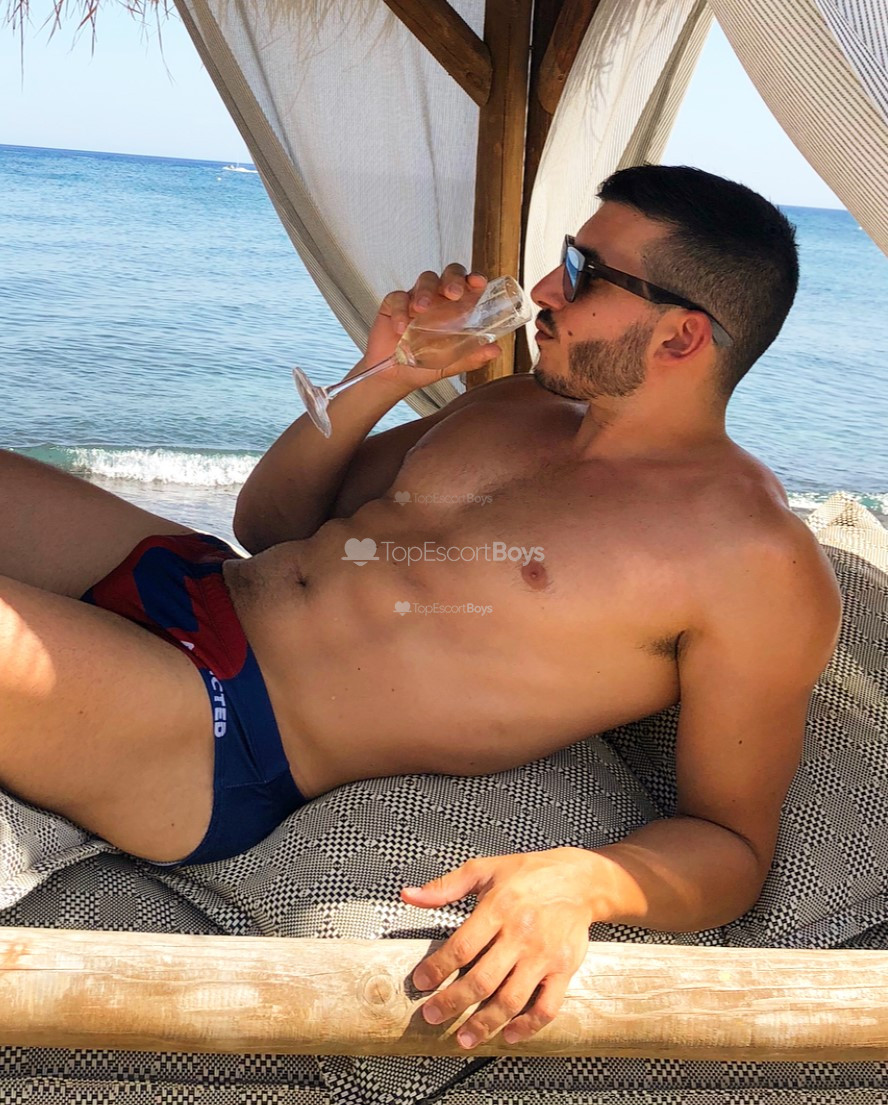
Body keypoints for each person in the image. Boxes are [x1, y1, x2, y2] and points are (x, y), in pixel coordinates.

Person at [0, 165, 840, 1051]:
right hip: (195, 578)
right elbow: (268, 522)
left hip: (218, 732)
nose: (544, 289)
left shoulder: (753, 562)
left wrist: (588, 882)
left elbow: (732, 843)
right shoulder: (520, 403)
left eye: (582, 273)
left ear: (682, 335)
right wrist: (386, 371)